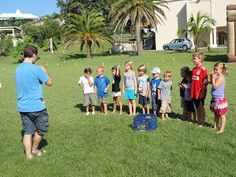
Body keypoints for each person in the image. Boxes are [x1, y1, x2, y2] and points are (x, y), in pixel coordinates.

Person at [15, 45, 53, 159]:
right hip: (37, 107)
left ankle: (28, 155)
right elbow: (50, 83)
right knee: (41, 130)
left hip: (22, 107)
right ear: (34, 55)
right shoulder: (36, 69)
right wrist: (44, 70)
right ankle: (34, 149)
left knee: (27, 132)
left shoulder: (18, 69)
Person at [210, 62, 228, 133]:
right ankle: (215, 127)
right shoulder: (217, 76)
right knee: (216, 114)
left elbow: (215, 86)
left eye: (216, 69)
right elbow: (212, 83)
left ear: (221, 70)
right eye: (214, 69)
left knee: (222, 115)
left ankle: (222, 129)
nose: (215, 71)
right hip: (214, 99)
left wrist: (213, 78)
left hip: (219, 99)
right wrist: (211, 77)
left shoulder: (221, 77)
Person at [191, 52, 208, 127]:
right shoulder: (194, 69)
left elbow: (205, 80)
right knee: (197, 106)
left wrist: (202, 90)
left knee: (201, 106)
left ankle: (202, 123)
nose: (193, 60)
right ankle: (198, 120)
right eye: (193, 59)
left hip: (200, 91)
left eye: (194, 59)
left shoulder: (203, 69)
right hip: (194, 91)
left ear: (200, 59)